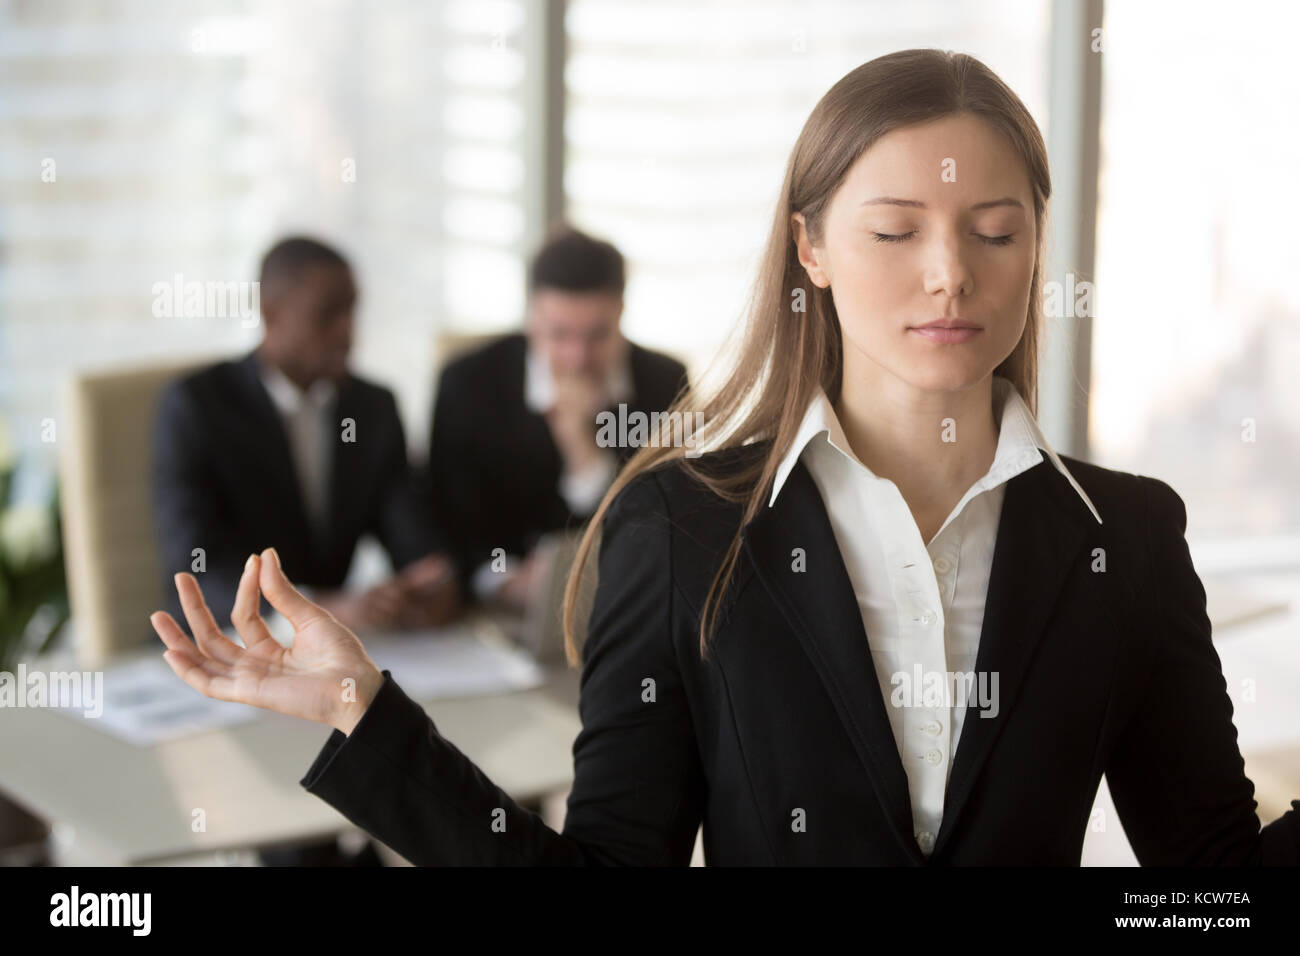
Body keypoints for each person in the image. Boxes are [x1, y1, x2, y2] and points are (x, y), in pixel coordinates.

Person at [150, 50, 1299, 865]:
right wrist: (367, 713)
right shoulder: (681, 527)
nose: (950, 271)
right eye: (895, 230)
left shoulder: (1126, 538)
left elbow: (1211, 892)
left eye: (994, 231)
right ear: (811, 247)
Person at [152, 236, 460, 636]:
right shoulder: (196, 407)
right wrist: (312, 609)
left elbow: (409, 529)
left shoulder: (371, 409)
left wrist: (431, 581)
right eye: (328, 313)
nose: (347, 332)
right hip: (220, 650)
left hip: (333, 657)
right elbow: (196, 563)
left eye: (352, 310)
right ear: (271, 313)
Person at [425, 225, 688, 612]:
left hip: (627, 604)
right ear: (532, 318)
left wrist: (583, 450)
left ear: (621, 312)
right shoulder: (469, 383)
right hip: (494, 609)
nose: (578, 357)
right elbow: (449, 514)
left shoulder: (665, 382)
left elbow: (665, 521)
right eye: (559, 334)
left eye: (598, 335)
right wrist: (503, 580)